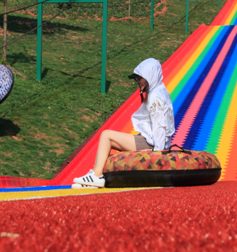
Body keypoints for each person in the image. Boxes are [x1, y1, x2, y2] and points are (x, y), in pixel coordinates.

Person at [73, 58, 175, 188]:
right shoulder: (159, 90)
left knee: (106, 135)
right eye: (136, 78)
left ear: (150, 76)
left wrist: (158, 155)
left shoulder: (155, 96)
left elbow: (160, 125)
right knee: (110, 141)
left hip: (152, 144)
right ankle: (98, 176)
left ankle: (97, 176)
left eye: (140, 78)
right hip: (151, 141)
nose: (137, 81)